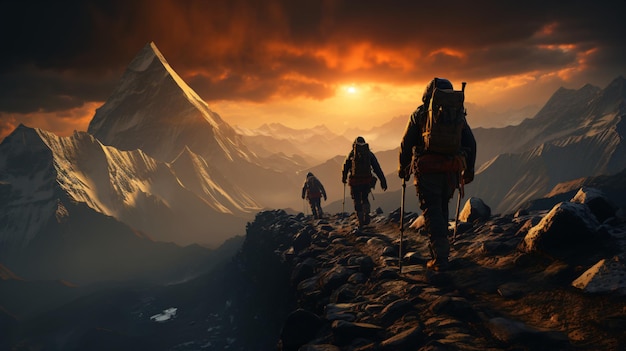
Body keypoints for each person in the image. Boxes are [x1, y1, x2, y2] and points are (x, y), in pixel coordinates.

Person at [398, 78, 477, 271]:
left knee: (432, 211)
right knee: (442, 207)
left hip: (427, 171)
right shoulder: (457, 113)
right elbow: (471, 142)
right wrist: (469, 169)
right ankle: (441, 252)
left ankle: (440, 258)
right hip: (451, 170)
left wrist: (403, 168)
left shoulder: (420, 113)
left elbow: (406, 143)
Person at [341, 136, 388, 228]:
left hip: (355, 181)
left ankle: (360, 220)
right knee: (365, 198)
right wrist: (383, 180)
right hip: (366, 180)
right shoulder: (369, 154)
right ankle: (367, 214)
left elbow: (345, 167)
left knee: (357, 199)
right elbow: (377, 168)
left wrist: (344, 178)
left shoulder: (351, 154)